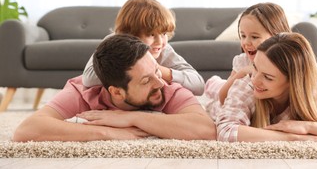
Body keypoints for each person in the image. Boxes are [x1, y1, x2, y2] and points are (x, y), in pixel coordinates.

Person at [13, 34, 216, 142]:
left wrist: (131, 118)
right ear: (116, 92)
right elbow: (26, 130)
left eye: (156, 71)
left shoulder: (165, 87)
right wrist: (107, 133)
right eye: (146, 81)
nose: (159, 83)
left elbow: (206, 129)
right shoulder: (82, 91)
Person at [216, 32, 317, 142]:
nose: (255, 80)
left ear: (294, 81)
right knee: (214, 89)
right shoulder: (246, 84)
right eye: (255, 67)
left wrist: (308, 127)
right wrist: (292, 137)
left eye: (268, 77)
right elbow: (226, 131)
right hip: (217, 103)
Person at [83, 0, 204, 96]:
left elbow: (198, 85)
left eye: (163, 34)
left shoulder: (163, 50)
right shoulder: (113, 42)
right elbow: (89, 78)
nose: (160, 41)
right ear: (129, 34)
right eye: (151, 34)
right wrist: (138, 68)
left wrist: (157, 70)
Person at [204, 2, 292, 120]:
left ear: (276, 36)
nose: (246, 42)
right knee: (215, 89)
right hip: (228, 94)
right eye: (243, 36)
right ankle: (212, 82)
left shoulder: (291, 59)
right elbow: (222, 97)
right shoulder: (242, 61)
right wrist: (243, 72)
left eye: (254, 37)